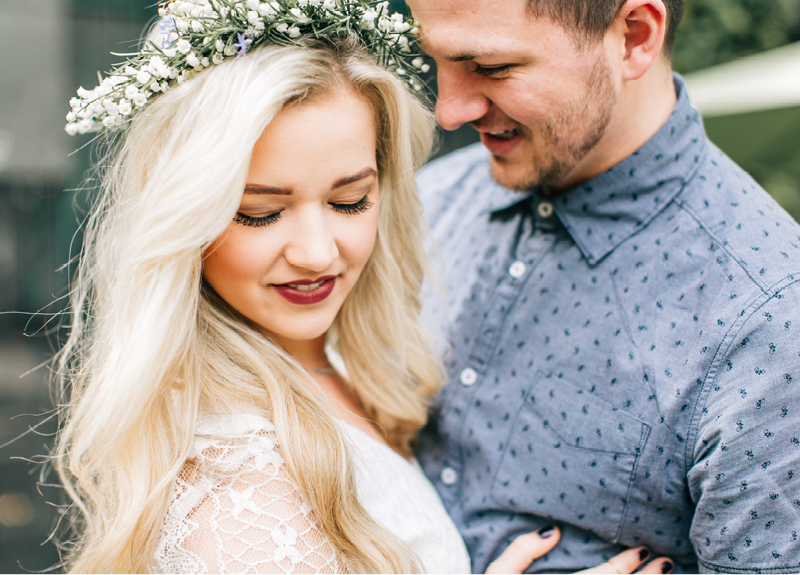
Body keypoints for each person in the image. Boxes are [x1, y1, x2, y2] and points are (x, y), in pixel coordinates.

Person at [55, 1, 671, 573]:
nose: (318, 253)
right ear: (183, 218)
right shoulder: (235, 486)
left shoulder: (342, 363)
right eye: (260, 213)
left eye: (350, 200)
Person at [407, 0, 800, 572]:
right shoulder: (426, 203)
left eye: (490, 68)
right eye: (433, 59)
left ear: (635, 37)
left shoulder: (769, 322)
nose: (448, 111)